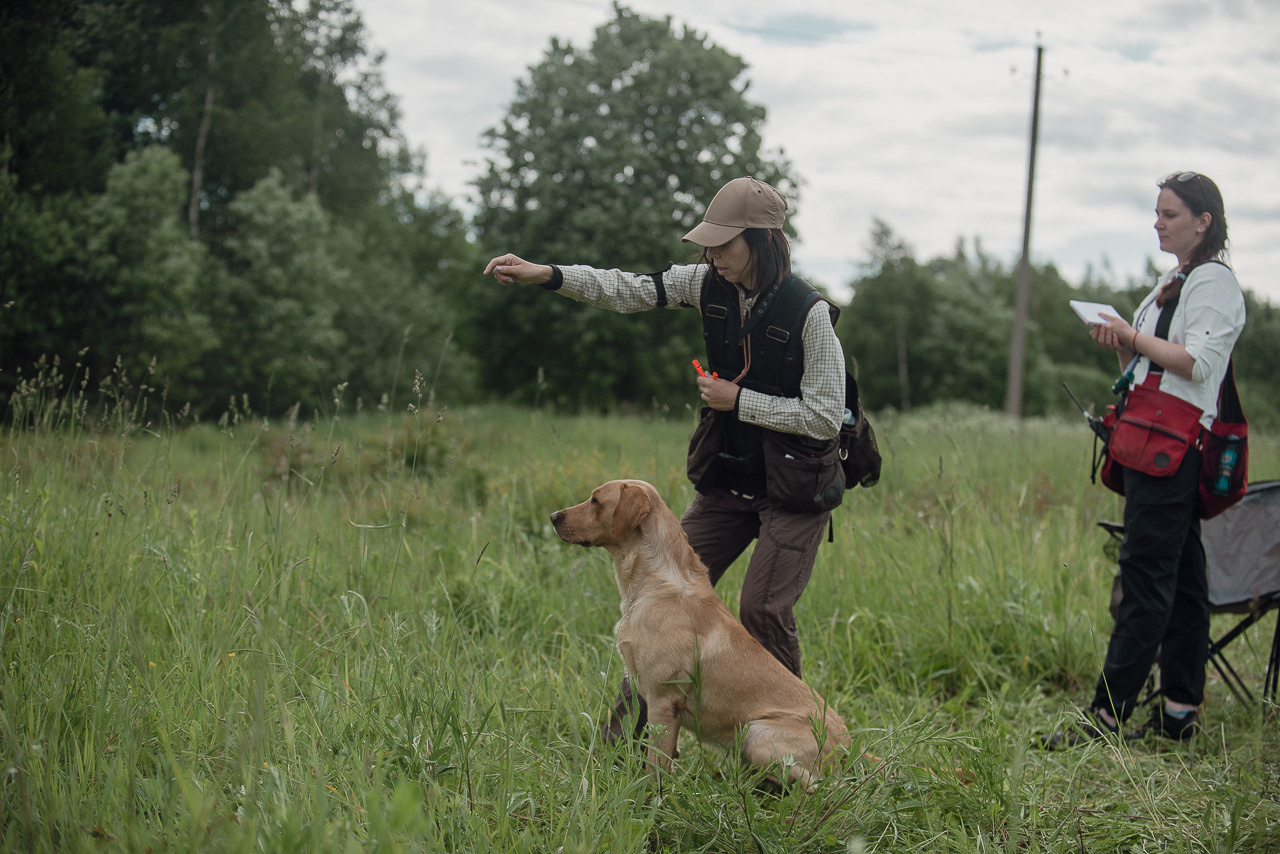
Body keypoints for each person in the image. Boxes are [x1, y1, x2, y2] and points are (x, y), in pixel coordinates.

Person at [483, 177, 848, 743]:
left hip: (795, 492)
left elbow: (826, 416)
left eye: (724, 245)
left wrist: (740, 401)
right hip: (730, 482)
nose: (711, 256)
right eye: (708, 244)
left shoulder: (810, 314)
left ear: (763, 240)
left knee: (762, 607)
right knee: (656, 598)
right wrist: (547, 275)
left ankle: (797, 743)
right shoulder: (705, 284)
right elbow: (626, 289)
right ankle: (620, 745)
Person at [1043, 171, 1246, 748]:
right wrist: (1123, 343)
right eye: (1157, 212)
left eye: (1170, 213)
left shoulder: (1212, 282)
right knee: (1181, 583)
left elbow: (1197, 364)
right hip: (1152, 442)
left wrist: (1132, 340)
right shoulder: (1174, 280)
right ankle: (1179, 713)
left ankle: (1106, 718)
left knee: (1144, 581)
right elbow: (1156, 363)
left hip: (1174, 449)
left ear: (1204, 221)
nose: (1158, 222)